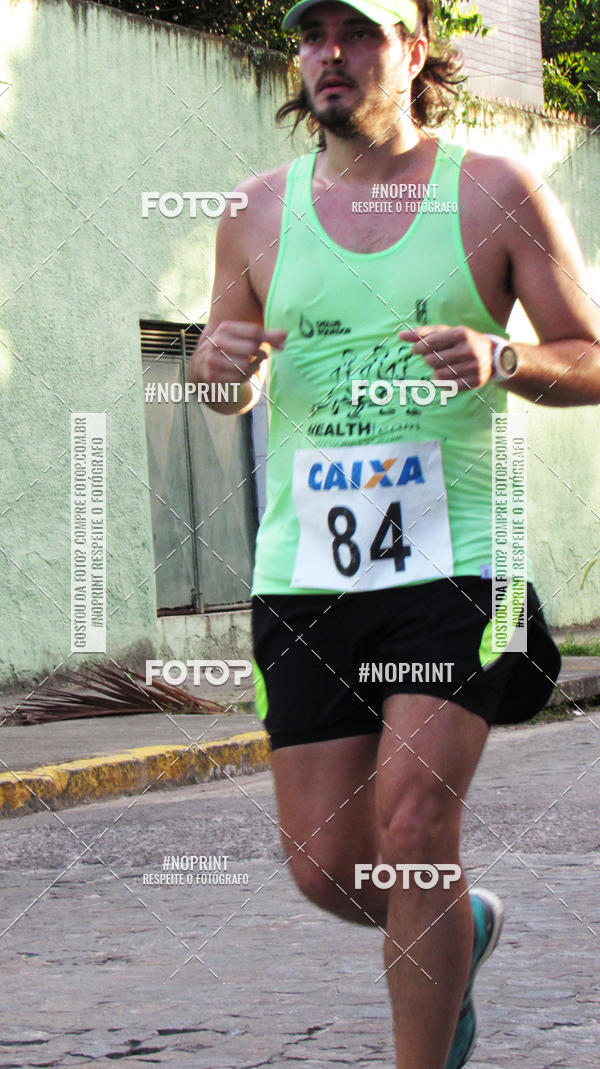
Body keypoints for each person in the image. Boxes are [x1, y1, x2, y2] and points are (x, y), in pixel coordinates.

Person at [188, 2, 600, 1065]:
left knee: (417, 832)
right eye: (315, 33)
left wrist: (503, 358)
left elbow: (589, 355)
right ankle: (457, 931)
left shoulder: (493, 192)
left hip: (455, 559)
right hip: (308, 571)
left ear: (414, 52)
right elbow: (224, 381)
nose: (333, 53)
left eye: (361, 32)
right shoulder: (255, 212)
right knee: (327, 867)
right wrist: (215, 374)